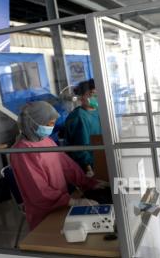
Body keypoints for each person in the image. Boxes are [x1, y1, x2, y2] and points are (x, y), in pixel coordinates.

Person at [10, 101, 107, 230]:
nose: (52, 127)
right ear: (34, 123)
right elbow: (38, 191)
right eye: (49, 124)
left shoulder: (46, 141)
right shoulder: (21, 151)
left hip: (61, 205)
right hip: (44, 213)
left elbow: (67, 166)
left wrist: (89, 183)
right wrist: (72, 201)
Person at [65, 79, 101, 177]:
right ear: (81, 97)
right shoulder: (79, 117)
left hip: (100, 159)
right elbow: (80, 148)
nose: (95, 98)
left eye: (97, 94)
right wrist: (89, 169)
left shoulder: (98, 112)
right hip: (89, 167)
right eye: (91, 94)